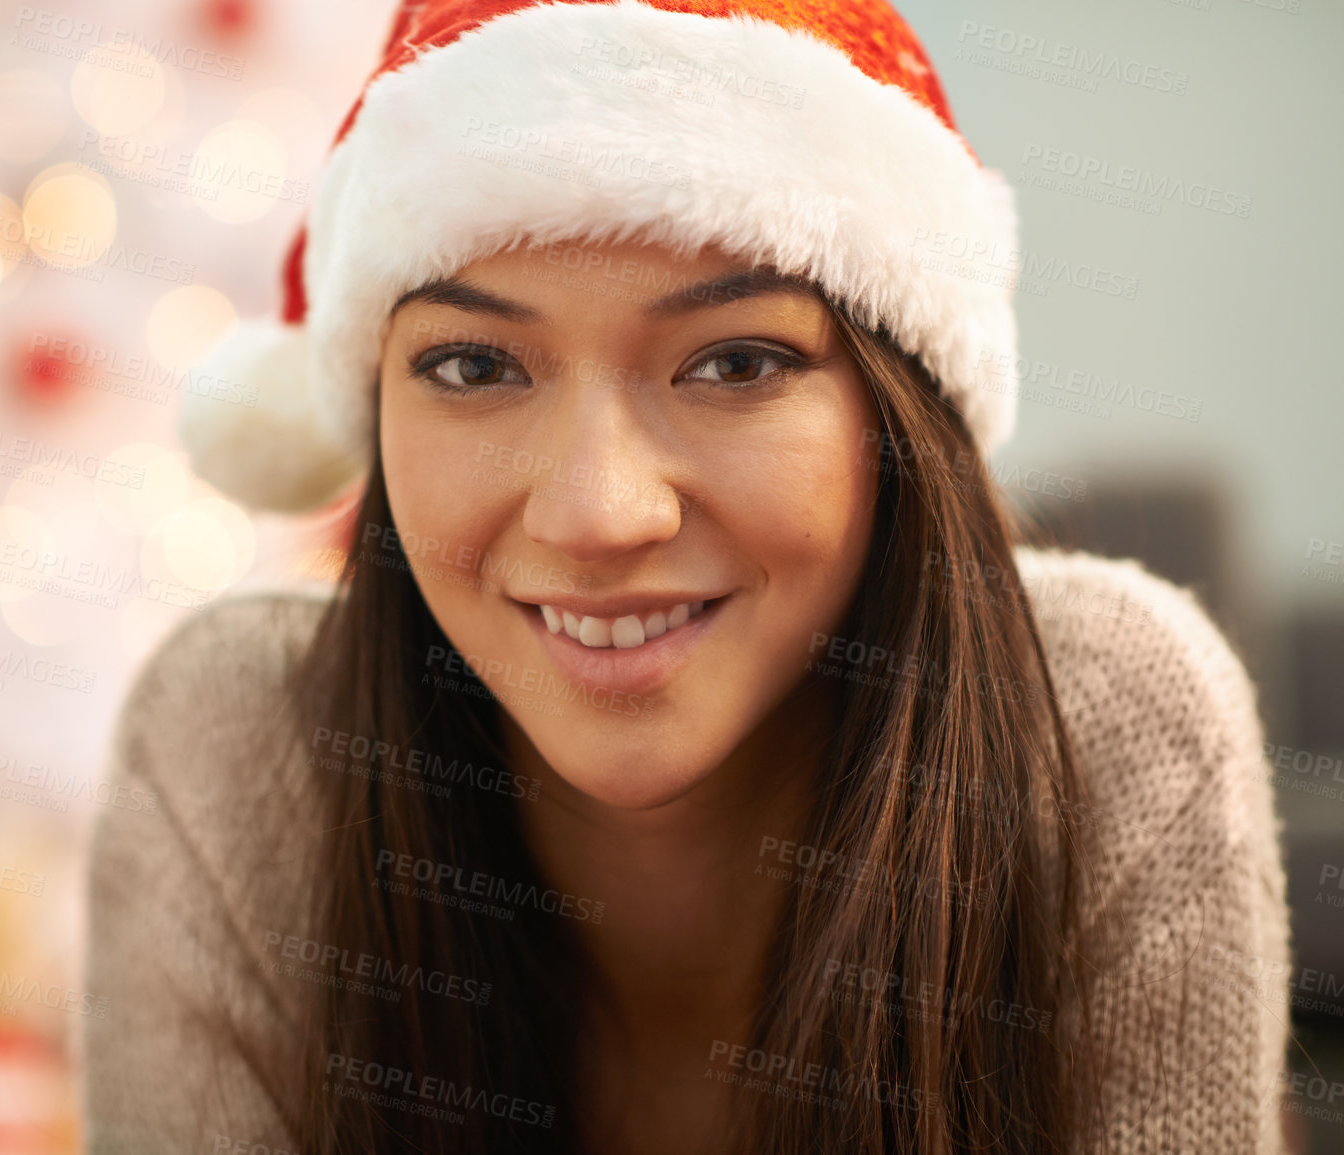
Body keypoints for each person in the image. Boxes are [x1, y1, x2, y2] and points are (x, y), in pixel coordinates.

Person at [85, 1, 1293, 1151]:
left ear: (901, 423)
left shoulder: (1104, 721)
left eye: (733, 364)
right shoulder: (241, 739)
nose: (600, 514)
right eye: (469, 368)